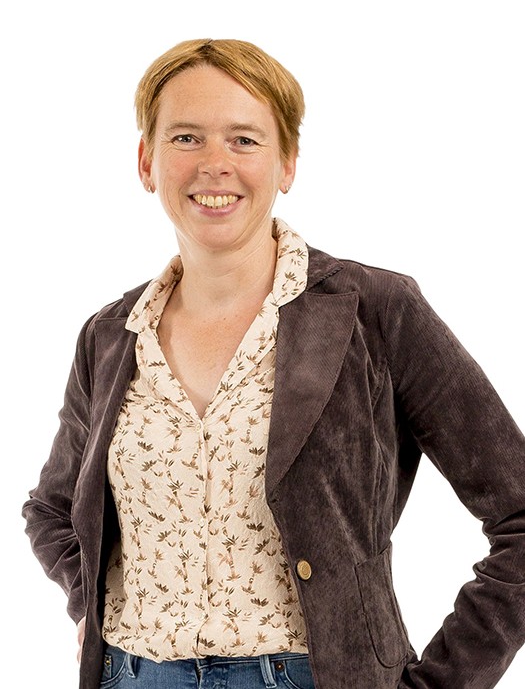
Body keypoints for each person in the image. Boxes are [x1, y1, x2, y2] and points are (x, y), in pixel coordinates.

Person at [22, 38, 525, 689]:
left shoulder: (374, 310)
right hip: (133, 676)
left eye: (244, 140)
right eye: (185, 138)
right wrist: (96, 606)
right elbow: (53, 510)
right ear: (146, 161)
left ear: (287, 163)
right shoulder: (111, 335)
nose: (214, 164)